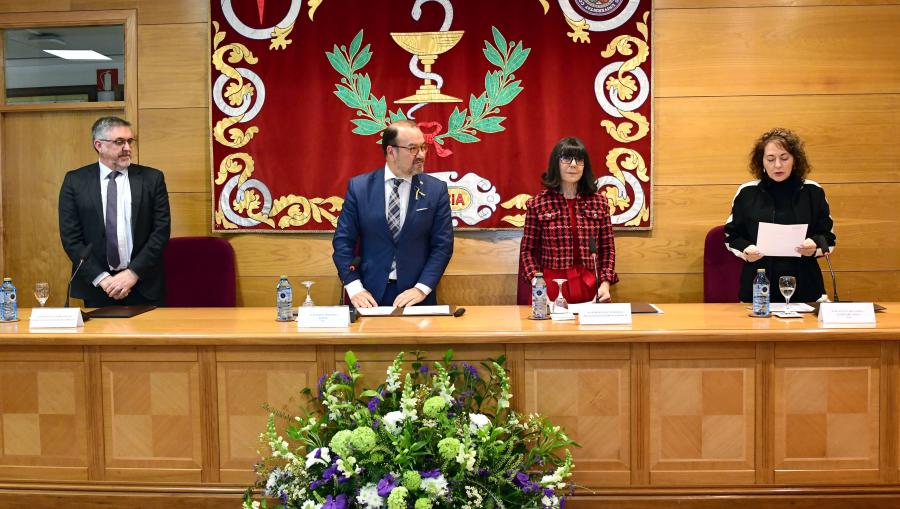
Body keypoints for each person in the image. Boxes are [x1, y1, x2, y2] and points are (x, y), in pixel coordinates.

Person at [332, 120, 453, 308]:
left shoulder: (436, 190)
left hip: (417, 297)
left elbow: (442, 246)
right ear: (391, 151)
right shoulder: (360, 188)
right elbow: (343, 242)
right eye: (412, 149)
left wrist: (422, 288)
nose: (421, 154)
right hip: (368, 296)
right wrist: (354, 288)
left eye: (423, 147)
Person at [58, 116, 171, 307]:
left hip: (144, 284)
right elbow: (71, 239)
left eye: (130, 141)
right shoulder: (75, 182)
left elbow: (160, 232)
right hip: (99, 288)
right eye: (119, 142)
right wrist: (102, 278)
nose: (127, 147)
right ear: (99, 145)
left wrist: (132, 273)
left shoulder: (152, 179)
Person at [724, 128, 836, 303]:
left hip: (806, 288)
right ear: (761, 162)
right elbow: (732, 236)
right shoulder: (747, 192)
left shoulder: (813, 191)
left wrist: (815, 245)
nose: (777, 165)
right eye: (770, 159)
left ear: (795, 161)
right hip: (758, 287)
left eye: (784, 158)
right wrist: (746, 250)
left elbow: (829, 237)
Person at [520, 136, 618, 303]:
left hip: (591, 286)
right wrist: (537, 284)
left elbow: (608, 249)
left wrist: (606, 283)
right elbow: (527, 251)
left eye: (579, 160)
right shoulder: (537, 204)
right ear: (555, 164)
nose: (573, 164)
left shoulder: (600, 203)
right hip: (550, 288)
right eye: (566, 158)